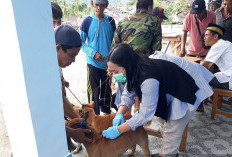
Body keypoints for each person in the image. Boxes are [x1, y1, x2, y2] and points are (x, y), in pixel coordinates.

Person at [102, 43, 214, 156]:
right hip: (170, 83)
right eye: (110, 71)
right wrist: (119, 113)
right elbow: (129, 92)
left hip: (185, 87)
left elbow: (145, 114)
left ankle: (169, 155)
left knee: (172, 127)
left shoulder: (148, 77)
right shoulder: (134, 67)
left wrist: (119, 130)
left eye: (115, 72)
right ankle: (166, 152)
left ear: (127, 66)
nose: (112, 75)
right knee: (163, 121)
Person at [55, 25, 92, 145]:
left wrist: (80, 120)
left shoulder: (57, 68)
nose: (74, 60)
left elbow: (61, 99)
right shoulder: (42, 75)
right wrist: (70, 132)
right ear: (58, 48)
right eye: (72, 55)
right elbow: (40, 116)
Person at [80, 0, 116, 115]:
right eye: (97, 4)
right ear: (92, 4)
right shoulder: (87, 21)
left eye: (102, 5)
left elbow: (114, 42)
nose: (99, 7)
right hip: (92, 63)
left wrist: (111, 61)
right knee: (93, 93)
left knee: (106, 92)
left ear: (106, 5)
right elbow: (81, 42)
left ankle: (106, 118)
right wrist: (93, 53)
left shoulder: (111, 21)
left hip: (107, 64)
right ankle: (93, 118)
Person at [201, 23, 232, 90]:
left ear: (215, 36)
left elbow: (203, 65)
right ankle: (211, 96)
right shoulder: (225, 43)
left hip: (230, 79)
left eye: (206, 35)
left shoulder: (218, 45)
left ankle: (210, 97)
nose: (204, 38)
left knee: (200, 77)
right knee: (211, 75)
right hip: (228, 76)